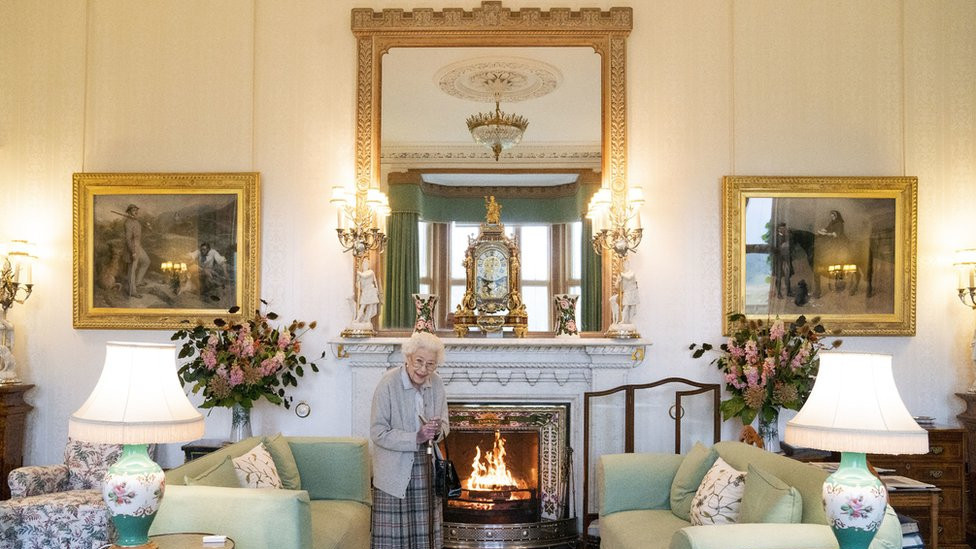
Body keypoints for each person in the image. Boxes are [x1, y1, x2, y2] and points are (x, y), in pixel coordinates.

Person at [370, 332, 450, 549]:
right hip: (393, 473)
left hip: (426, 469)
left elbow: (445, 425)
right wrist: (416, 437)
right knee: (394, 541)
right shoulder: (388, 383)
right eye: (419, 362)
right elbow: (377, 432)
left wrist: (435, 431)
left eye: (430, 364)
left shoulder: (437, 384)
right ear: (408, 357)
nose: (423, 369)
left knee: (425, 538)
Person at [123, 204, 150, 298]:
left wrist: (147, 226)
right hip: (132, 246)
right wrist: (133, 252)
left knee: (146, 261)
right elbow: (128, 239)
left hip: (138, 245)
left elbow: (139, 232)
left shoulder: (136, 221)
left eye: (136, 210)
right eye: (134, 210)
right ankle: (132, 291)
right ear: (129, 211)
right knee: (132, 270)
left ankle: (138, 282)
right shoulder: (128, 223)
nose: (136, 211)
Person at [356, 257, 380, 323]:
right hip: (365, 291)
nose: (365, 265)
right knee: (362, 306)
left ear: (368, 265)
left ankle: (367, 320)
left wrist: (358, 273)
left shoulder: (370, 272)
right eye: (364, 264)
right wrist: (358, 280)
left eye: (366, 264)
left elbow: (365, 276)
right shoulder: (361, 274)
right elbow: (358, 285)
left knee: (371, 306)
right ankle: (358, 319)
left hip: (371, 291)